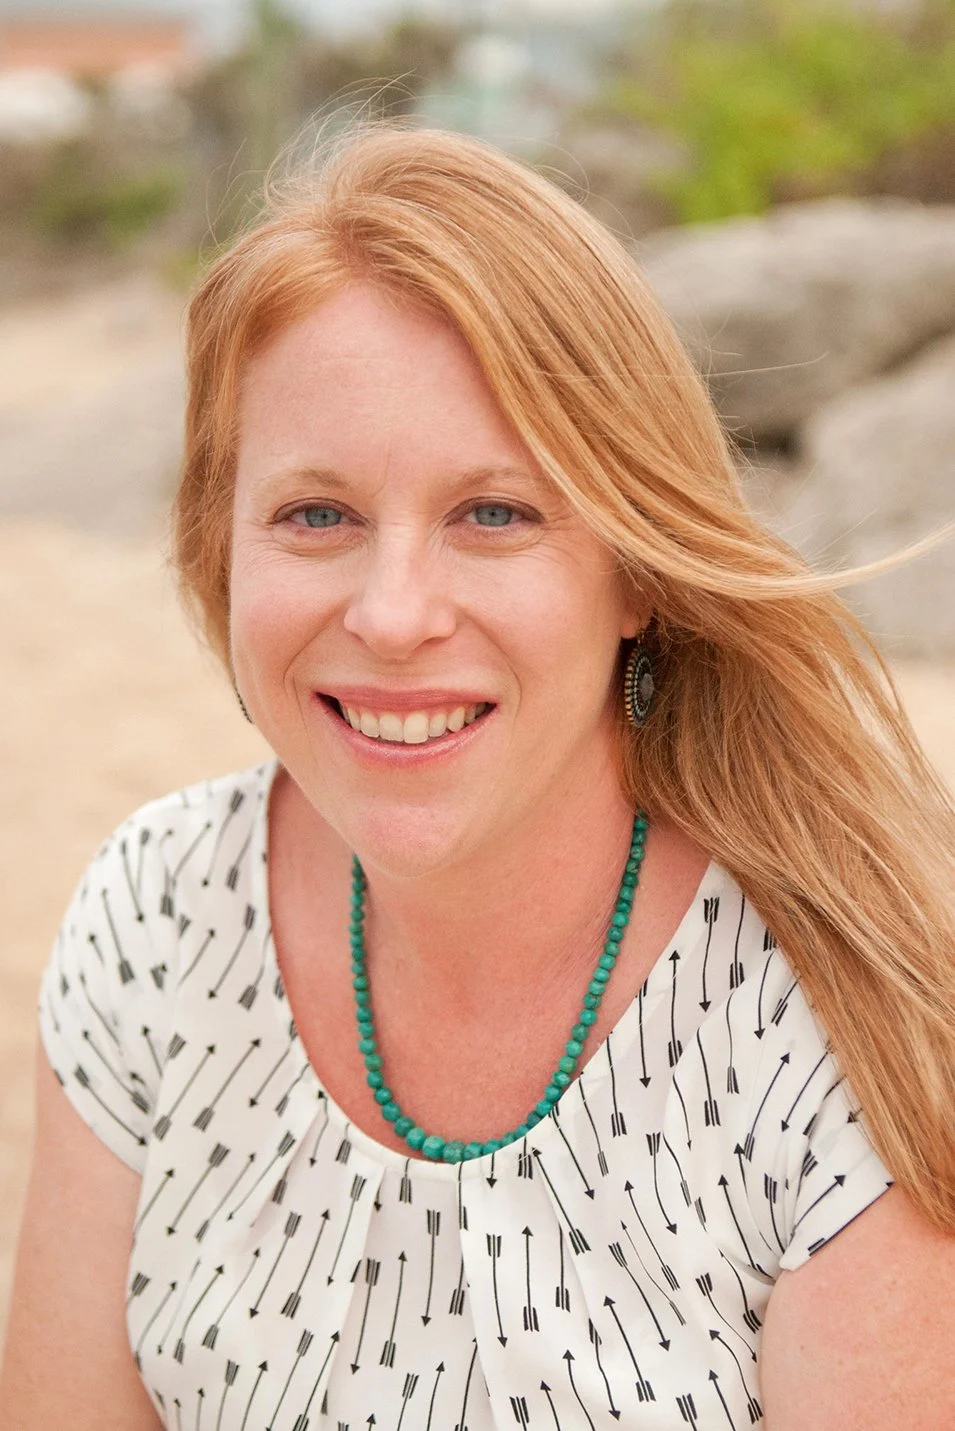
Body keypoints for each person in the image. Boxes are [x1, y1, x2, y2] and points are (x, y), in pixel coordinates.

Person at [1, 123, 954, 1431]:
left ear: (636, 571)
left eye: (493, 513)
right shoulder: (157, 911)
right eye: (316, 514)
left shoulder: (840, 1024)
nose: (393, 615)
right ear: (221, 552)